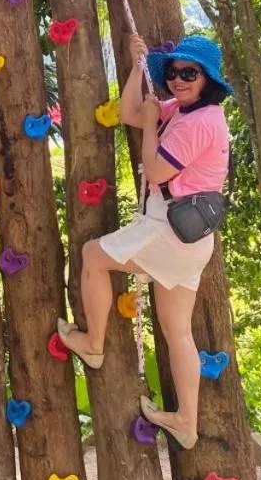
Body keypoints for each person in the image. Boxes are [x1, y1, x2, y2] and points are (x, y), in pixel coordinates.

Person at [58, 33, 232, 449]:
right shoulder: (185, 110)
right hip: (190, 238)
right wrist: (139, 68)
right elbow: (130, 112)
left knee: (93, 257)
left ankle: (93, 344)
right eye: (172, 72)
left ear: (207, 78)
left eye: (189, 72)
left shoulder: (199, 122)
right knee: (178, 330)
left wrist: (154, 123)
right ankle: (186, 422)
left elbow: (155, 172)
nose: (178, 80)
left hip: (169, 231)